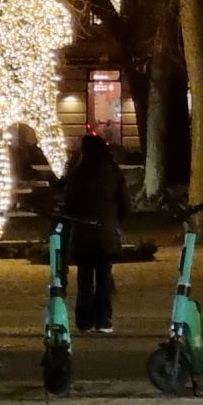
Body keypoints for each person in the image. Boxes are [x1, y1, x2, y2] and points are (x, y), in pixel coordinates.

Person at [62, 133, 128, 335]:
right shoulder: (113, 172)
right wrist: (115, 221)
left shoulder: (78, 173)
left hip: (83, 233)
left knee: (84, 279)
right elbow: (125, 203)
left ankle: (84, 321)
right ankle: (104, 320)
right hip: (106, 233)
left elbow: (69, 203)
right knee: (104, 278)